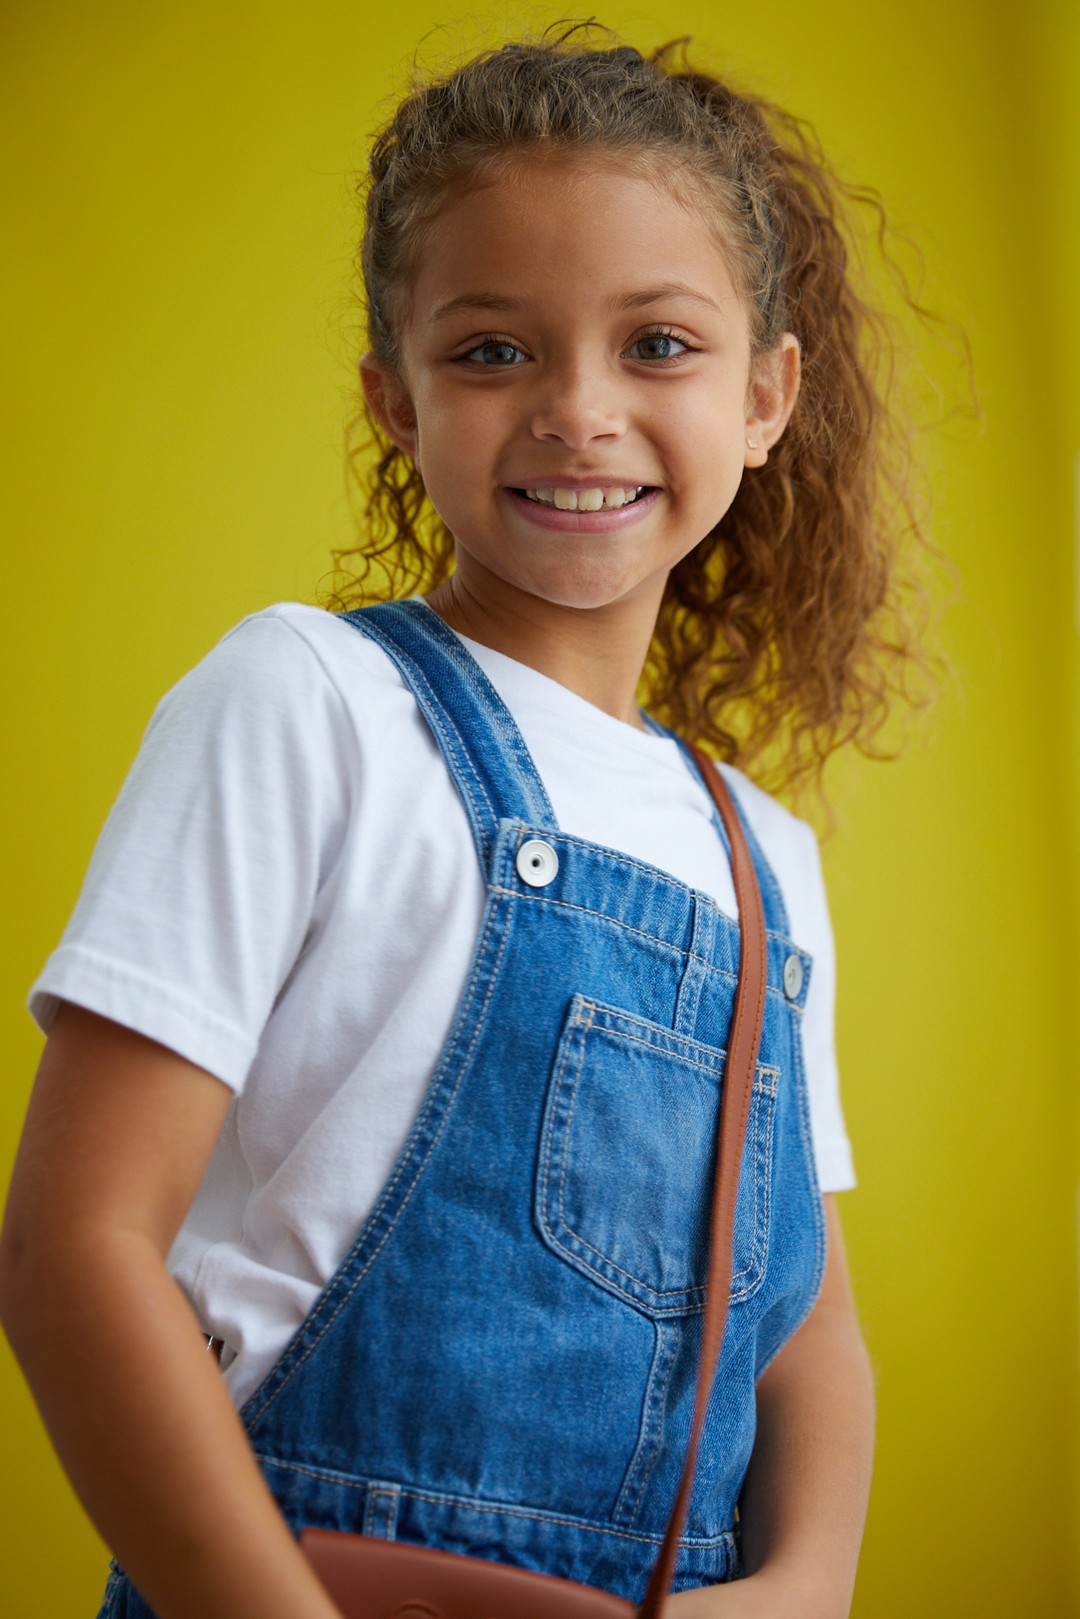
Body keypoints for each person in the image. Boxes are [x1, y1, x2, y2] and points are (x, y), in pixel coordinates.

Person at [0, 26, 933, 1619]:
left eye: (659, 344)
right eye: (495, 350)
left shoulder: (762, 857)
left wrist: (806, 1588)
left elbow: (808, 1331)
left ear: (767, 397)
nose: (579, 410)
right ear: (396, 397)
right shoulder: (309, 703)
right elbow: (75, 1245)